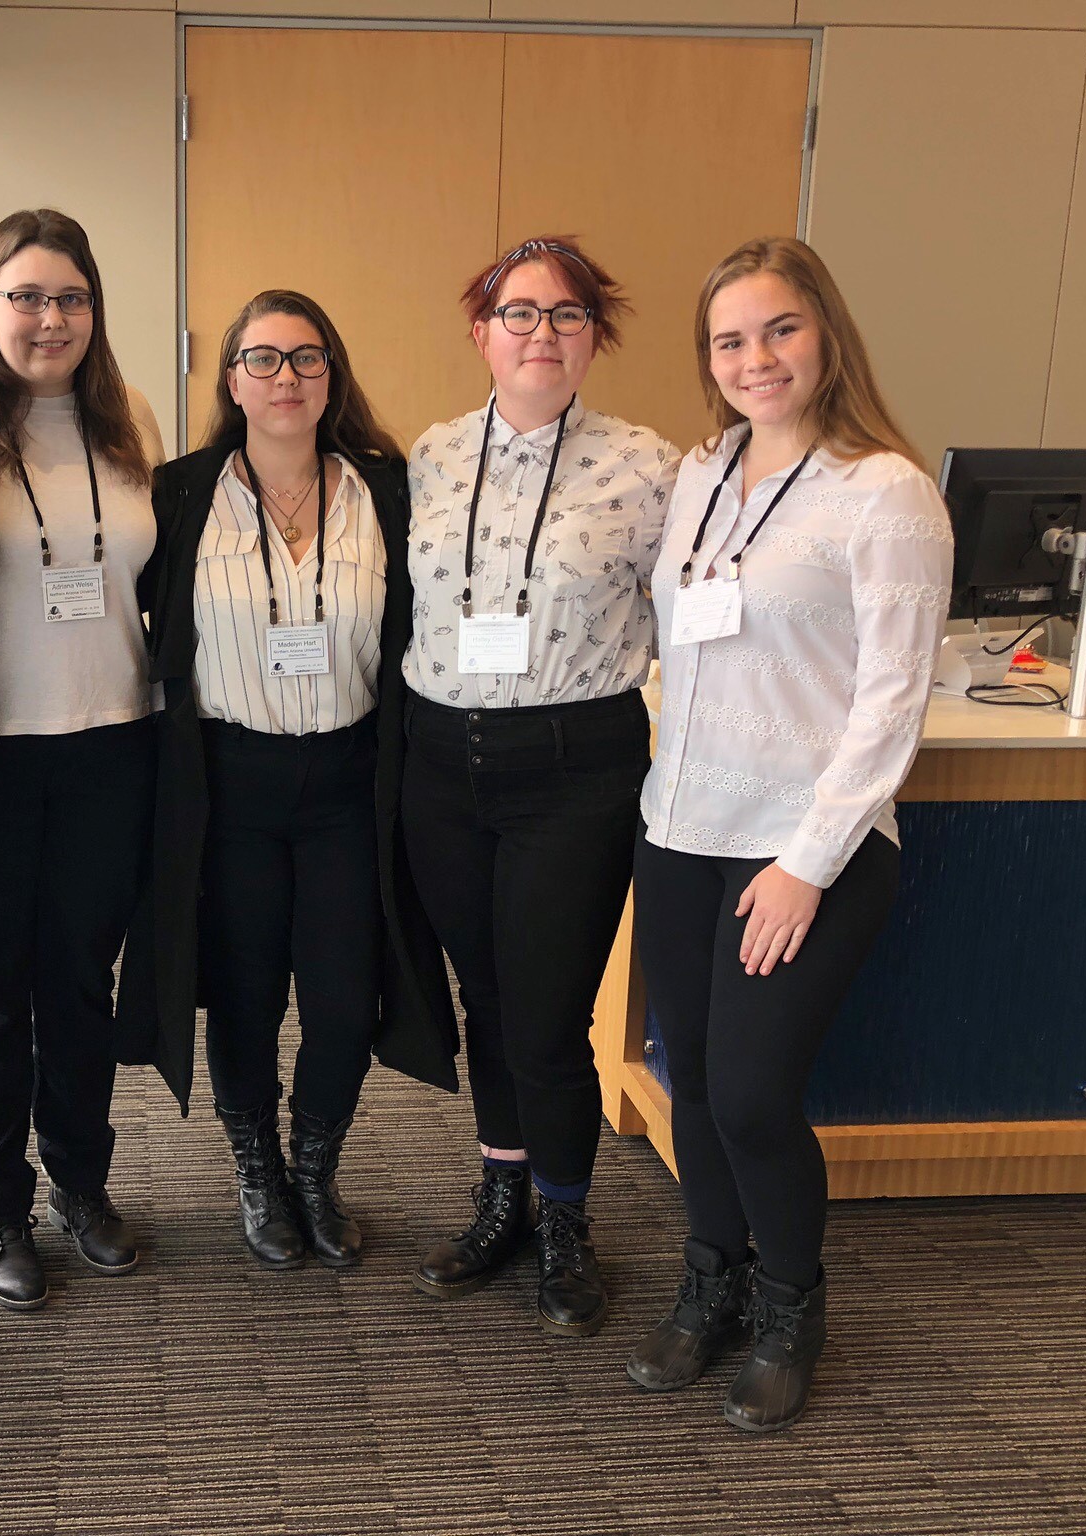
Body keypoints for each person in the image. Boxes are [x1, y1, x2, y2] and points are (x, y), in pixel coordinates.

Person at [626, 236, 951, 1431]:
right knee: (695, 1087)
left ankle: (788, 1304)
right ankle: (706, 1279)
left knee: (755, 1096)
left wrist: (803, 864)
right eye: (728, 339)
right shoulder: (702, 471)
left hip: (803, 848)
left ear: (826, 335)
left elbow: (890, 702)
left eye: (778, 330)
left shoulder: (883, 492)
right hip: (676, 829)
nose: (754, 358)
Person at [119, 290, 452, 1269]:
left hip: (349, 783)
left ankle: (316, 1165)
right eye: (261, 360)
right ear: (231, 380)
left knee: (347, 999)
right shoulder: (177, 495)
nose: (284, 378)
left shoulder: (384, 491)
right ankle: (257, 1168)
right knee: (246, 995)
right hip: (229, 787)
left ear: (331, 376)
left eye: (305, 359)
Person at [401, 235, 680, 1336]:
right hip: (441, 765)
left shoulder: (649, 466)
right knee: (486, 1004)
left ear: (593, 338)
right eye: (518, 314)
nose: (541, 334)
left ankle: (566, 1223)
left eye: (566, 316)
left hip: (575, 768)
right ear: (480, 333)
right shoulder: (424, 457)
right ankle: (501, 1197)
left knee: (548, 1016)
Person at [0, 209, 165, 1310]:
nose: (48, 318)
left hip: (110, 745)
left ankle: (81, 1184)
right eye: (23, 296)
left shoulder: (128, 424)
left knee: (80, 986)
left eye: (69, 297)